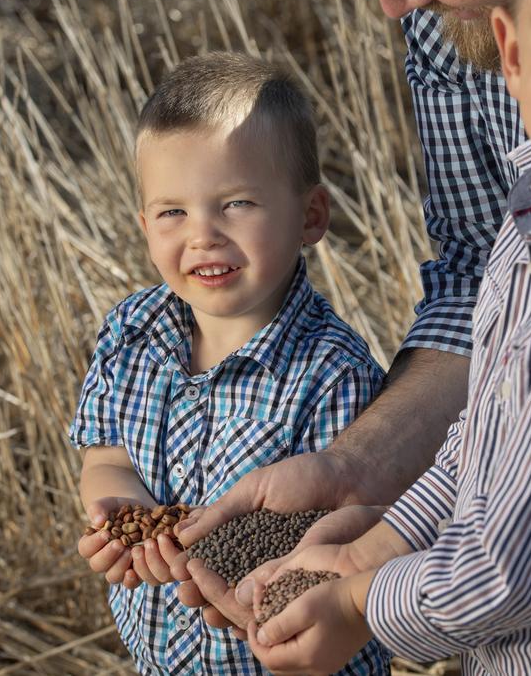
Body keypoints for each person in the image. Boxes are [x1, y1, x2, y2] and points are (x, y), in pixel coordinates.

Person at [172, 0, 531, 633]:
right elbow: (483, 303)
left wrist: (365, 600)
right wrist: (363, 482)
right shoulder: (456, 26)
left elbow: (515, 570)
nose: (390, 6)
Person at [69, 52, 389, 675]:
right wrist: (125, 515)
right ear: (144, 226)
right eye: (172, 212)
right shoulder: (132, 332)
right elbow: (104, 454)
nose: (203, 235)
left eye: (236, 203)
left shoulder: (332, 373)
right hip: (160, 660)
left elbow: (343, 543)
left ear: (311, 216)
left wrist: (219, 556)